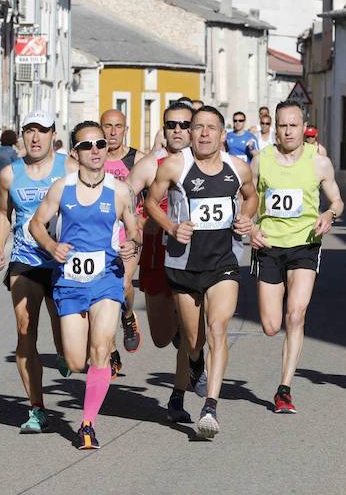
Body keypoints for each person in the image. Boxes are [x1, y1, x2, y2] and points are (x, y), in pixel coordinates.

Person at [145, 105, 258, 439]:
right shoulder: (175, 166)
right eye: (198, 127)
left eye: (212, 128)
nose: (205, 133)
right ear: (190, 134)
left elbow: (251, 198)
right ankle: (194, 364)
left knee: (217, 328)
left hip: (224, 262)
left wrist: (245, 217)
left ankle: (210, 406)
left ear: (223, 135)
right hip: (183, 264)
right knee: (193, 340)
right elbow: (152, 202)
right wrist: (171, 226)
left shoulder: (238, 168)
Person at [29, 121, 139, 449]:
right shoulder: (61, 188)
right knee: (76, 361)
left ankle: (87, 423)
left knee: (101, 350)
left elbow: (135, 229)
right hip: (70, 282)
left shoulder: (119, 190)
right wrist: (52, 247)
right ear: (75, 153)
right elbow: (36, 224)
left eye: (101, 144)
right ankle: (88, 376)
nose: (95, 151)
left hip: (106, 277)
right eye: (87, 146)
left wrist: (132, 244)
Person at [249, 101, 344, 413]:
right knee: (271, 325)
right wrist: (250, 227)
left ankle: (284, 388)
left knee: (296, 314)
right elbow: (245, 199)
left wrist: (329, 214)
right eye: (282, 125)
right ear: (275, 127)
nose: (288, 131)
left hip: (305, 244)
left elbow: (337, 201)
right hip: (269, 246)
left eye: (293, 125)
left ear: (305, 127)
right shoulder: (260, 161)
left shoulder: (319, 163)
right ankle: (283, 384)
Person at [0, 110, 79, 434]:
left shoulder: (68, 167)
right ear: (22, 136)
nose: (35, 137)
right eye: (29, 131)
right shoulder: (10, 174)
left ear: (53, 134)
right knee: (25, 329)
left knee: (68, 346)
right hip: (25, 260)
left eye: (42, 131)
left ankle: (64, 355)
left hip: (63, 261)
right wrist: (0, 248)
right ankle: (36, 408)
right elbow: (3, 213)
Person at [127, 102, 202, 423]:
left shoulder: (206, 163)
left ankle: (177, 395)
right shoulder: (149, 165)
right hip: (157, 256)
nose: (178, 130)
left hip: (196, 259)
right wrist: (135, 228)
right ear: (164, 127)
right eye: (171, 124)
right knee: (160, 337)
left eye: (185, 125)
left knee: (191, 330)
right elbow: (124, 197)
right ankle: (179, 339)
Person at [100, 109, 144, 374]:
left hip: (128, 232)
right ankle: (111, 350)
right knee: (104, 296)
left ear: (126, 129)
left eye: (118, 126)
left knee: (123, 284)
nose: (113, 132)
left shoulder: (136, 159)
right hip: (99, 234)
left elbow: (151, 196)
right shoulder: (93, 155)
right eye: (108, 126)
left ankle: (128, 317)